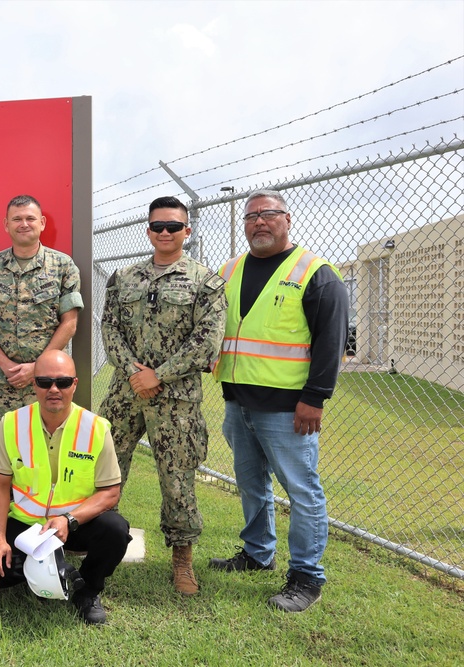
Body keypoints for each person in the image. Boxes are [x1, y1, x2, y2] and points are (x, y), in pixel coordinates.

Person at [210, 189, 348, 613]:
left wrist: (316, 398)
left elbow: (331, 341)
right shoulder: (229, 270)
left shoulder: (315, 273)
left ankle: (307, 576)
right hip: (237, 402)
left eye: (268, 214)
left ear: (288, 219)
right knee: (251, 485)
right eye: (251, 216)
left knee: (302, 492)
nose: (259, 222)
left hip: (289, 409)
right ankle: (257, 553)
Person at [99, 196, 226, 596]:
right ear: (148, 231)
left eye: (174, 226)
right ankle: (100, 545)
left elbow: (207, 341)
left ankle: (182, 559)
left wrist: (159, 375)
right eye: (158, 226)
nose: (166, 233)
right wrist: (133, 373)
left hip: (176, 399)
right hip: (125, 392)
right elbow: (109, 328)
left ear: (187, 231)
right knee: (104, 469)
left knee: (177, 480)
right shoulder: (124, 277)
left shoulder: (206, 282)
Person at [0, 350, 130, 625]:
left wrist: (68, 520)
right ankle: (55, 570)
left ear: (74, 384)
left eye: (62, 382)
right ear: (34, 384)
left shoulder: (96, 428)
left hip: (74, 525)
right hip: (27, 525)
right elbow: (0, 486)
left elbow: (110, 492)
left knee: (115, 530)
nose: (54, 389)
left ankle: (87, 590)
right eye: (44, 382)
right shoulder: (11, 424)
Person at [0, 194, 82, 459]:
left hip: (46, 386)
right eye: (17, 219)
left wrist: (37, 368)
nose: (24, 224)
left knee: (44, 455)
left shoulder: (63, 266)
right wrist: (4, 363)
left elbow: (69, 323)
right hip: (0, 382)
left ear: (42, 222)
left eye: (30, 218)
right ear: (6, 225)